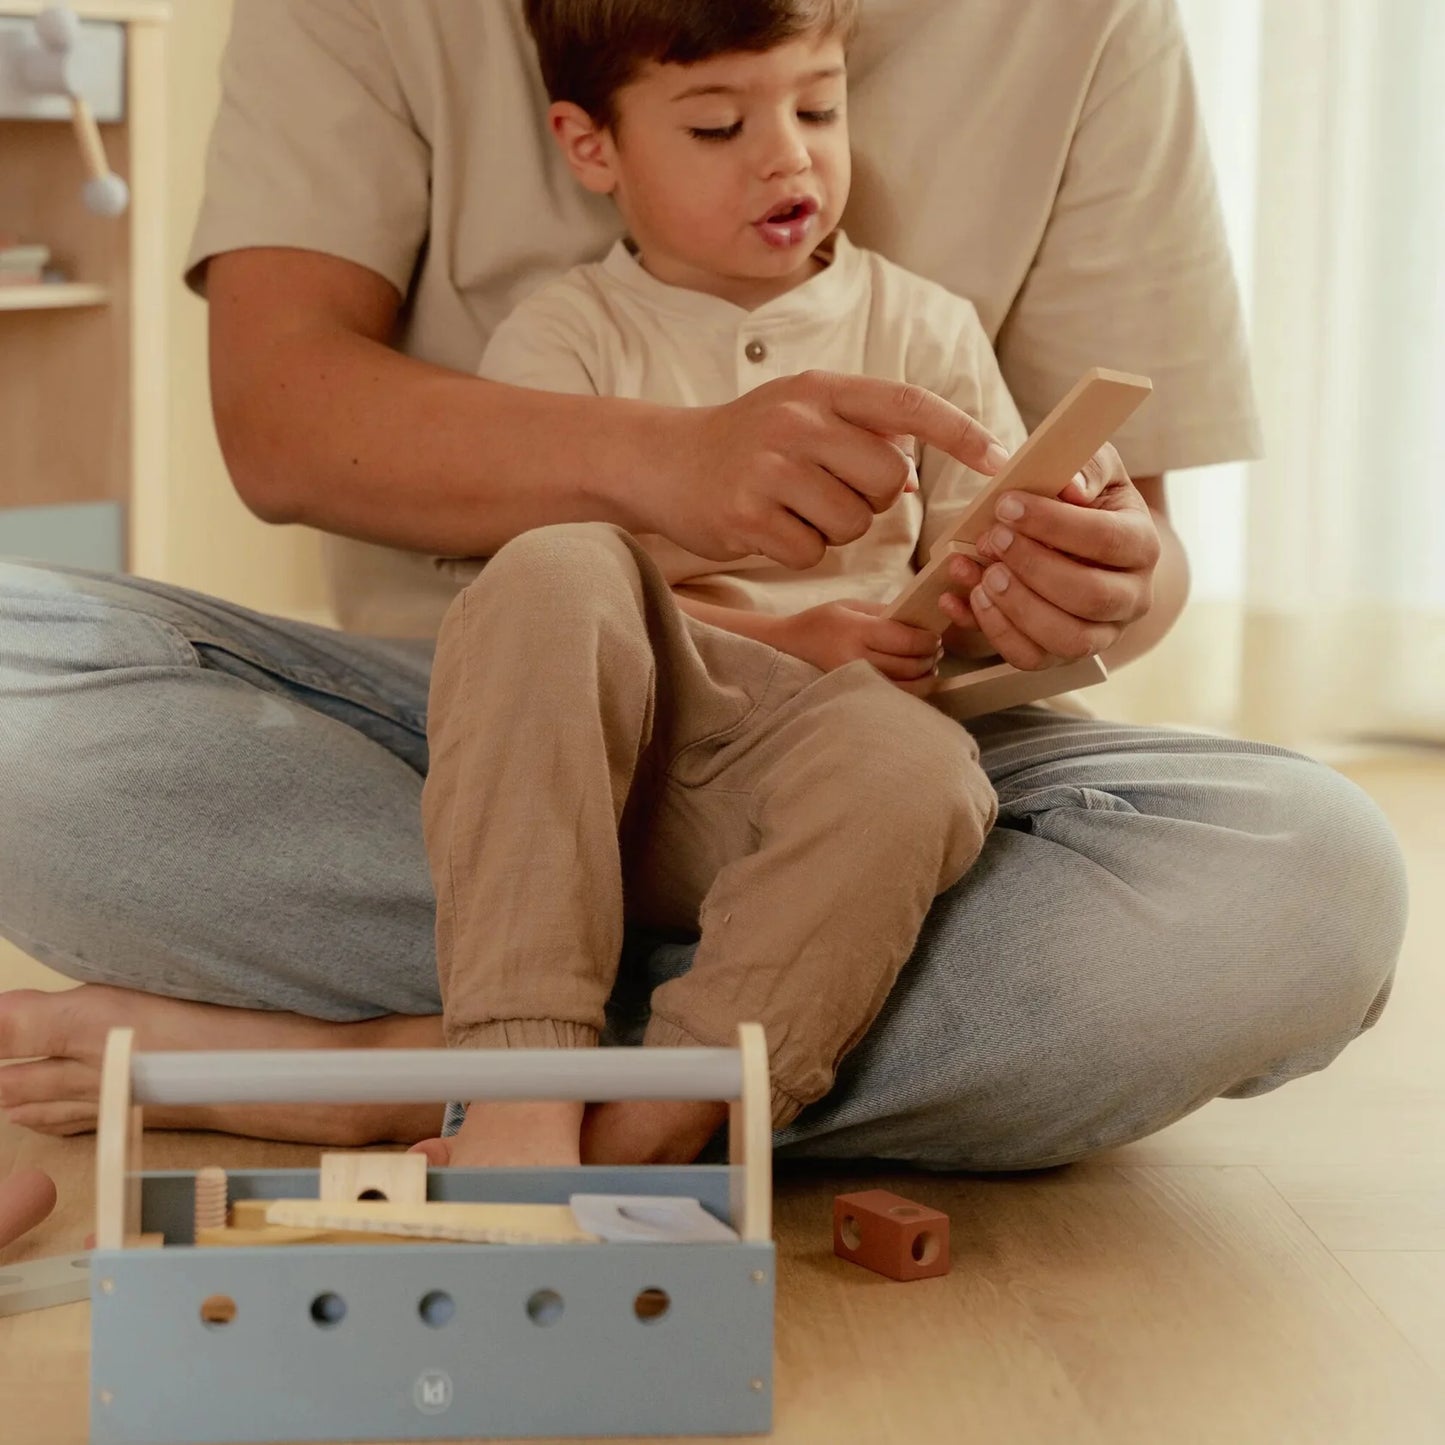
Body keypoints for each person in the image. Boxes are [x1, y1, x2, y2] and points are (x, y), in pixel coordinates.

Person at [0, 0, 1404, 1171]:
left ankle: (502, 1081)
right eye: (721, 127)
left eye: (818, 106)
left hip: (864, 766)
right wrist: (667, 471)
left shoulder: (930, 315)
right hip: (491, 745)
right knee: (546, 578)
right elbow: (296, 430)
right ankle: (605, 1036)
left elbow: (1082, 550)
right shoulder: (574, 322)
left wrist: (1074, 584)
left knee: (1300, 879)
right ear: (589, 146)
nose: (784, 158)